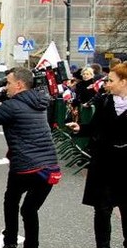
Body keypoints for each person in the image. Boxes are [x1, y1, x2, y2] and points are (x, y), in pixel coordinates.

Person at [0, 67, 60, 248]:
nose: (6, 87)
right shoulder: (39, 101)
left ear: (19, 85)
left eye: (8, 83)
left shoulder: (12, 107)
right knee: (29, 210)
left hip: (25, 166)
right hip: (50, 167)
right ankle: (32, 245)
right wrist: (1, 95)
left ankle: (10, 242)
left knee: (11, 201)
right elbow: (16, 100)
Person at [68, 62, 127, 248]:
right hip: (103, 162)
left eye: (111, 80)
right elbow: (94, 127)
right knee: (102, 209)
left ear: (124, 82)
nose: (106, 84)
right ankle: (103, 245)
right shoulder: (104, 101)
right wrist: (80, 128)